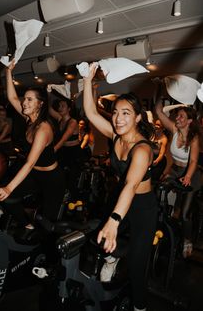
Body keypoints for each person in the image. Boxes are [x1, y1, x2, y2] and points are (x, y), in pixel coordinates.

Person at [83, 63, 157, 311]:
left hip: (143, 207)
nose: (118, 118)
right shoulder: (115, 136)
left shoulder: (143, 148)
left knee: (137, 265)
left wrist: (114, 221)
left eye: (126, 113)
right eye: (115, 112)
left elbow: (131, 185)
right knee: (100, 236)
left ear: (137, 117)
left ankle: (140, 306)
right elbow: (91, 114)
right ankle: (112, 257)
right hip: (121, 199)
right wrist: (87, 80)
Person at [0, 61, 66, 238]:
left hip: (52, 179)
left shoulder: (43, 128)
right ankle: (28, 224)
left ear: (40, 104)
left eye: (29, 99)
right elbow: (11, 98)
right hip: (35, 174)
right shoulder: (29, 119)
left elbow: (30, 161)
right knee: (8, 200)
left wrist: (9, 188)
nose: (24, 102)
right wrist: (9, 72)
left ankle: (51, 261)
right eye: (24, 98)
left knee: (48, 225)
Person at [155, 94, 201, 258]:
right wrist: (160, 89)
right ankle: (163, 227)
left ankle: (188, 240)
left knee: (184, 214)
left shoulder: (193, 137)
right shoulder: (174, 129)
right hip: (175, 171)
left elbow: (194, 160)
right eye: (177, 115)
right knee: (159, 195)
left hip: (191, 174)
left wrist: (188, 176)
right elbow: (159, 111)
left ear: (189, 121)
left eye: (181, 116)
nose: (177, 118)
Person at [49, 97, 83, 200]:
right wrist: (47, 92)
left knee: (71, 180)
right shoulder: (60, 118)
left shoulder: (72, 122)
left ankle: (76, 202)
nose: (60, 108)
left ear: (69, 109)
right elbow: (49, 108)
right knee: (58, 176)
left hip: (74, 152)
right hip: (63, 151)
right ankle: (60, 199)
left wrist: (53, 150)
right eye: (59, 106)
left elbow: (64, 138)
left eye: (63, 106)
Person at [151, 119, 168, 184]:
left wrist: (156, 161)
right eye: (155, 124)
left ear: (163, 128)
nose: (156, 126)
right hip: (152, 159)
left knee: (153, 181)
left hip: (159, 161)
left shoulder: (164, 139)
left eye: (158, 125)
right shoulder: (152, 135)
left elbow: (161, 154)